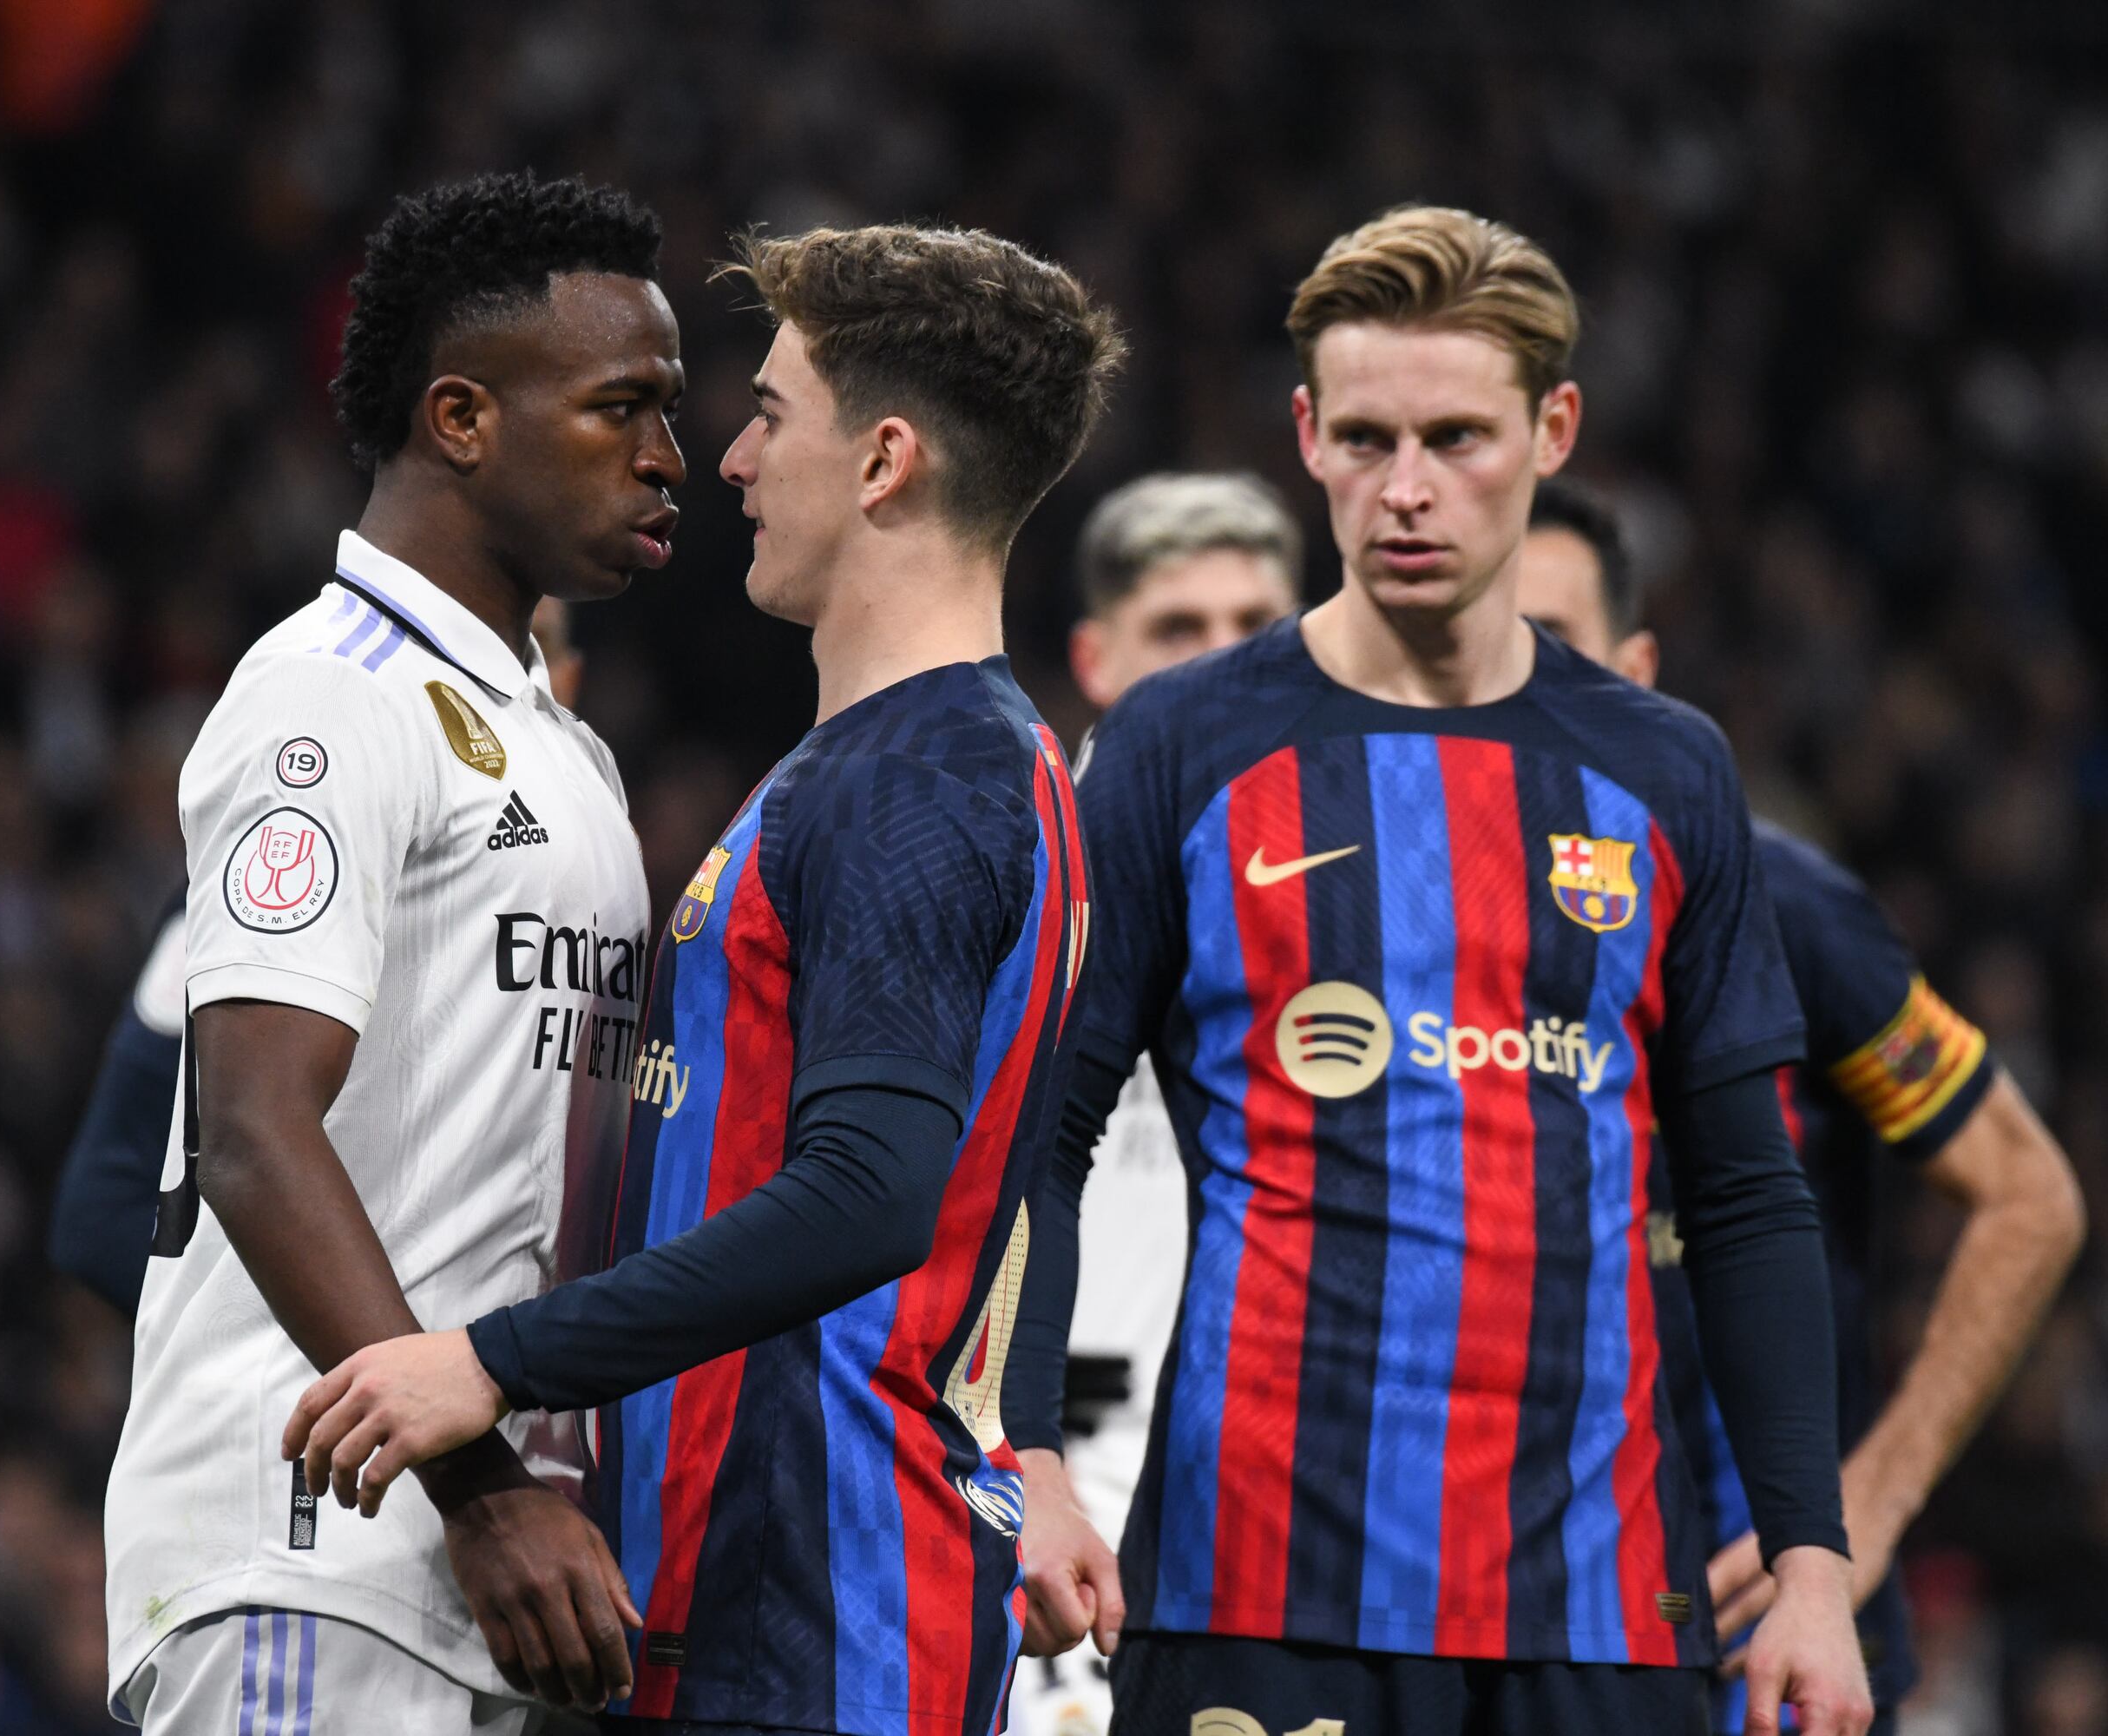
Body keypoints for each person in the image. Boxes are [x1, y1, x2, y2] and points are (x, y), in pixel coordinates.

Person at [1008, 205, 1874, 1736]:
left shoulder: (1667, 770)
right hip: (1252, 1594)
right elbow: (1039, 1134)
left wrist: (1812, 1563)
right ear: (1307, 435)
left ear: (1555, 431)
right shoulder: (1178, 746)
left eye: (1457, 439)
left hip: (1597, 1609)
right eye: (1366, 439)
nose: (1405, 488)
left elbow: (1747, 1193)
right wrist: (1028, 1455)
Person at [279, 222, 1123, 1736]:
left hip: (820, 1614)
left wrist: (489, 1364)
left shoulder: (917, 782)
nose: (728, 462)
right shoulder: (943, 761)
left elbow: (869, 1195)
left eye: (772, 416)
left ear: (884, 463)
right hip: (776, 1598)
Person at [101, 171, 683, 1734]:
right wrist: (478, 1488)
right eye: (622, 406)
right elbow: (251, 1127)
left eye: (672, 410)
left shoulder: (562, 749)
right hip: (319, 1547)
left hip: (485, 1569)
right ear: (462, 418)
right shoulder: (329, 692)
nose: (668, 456)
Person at [1515, 477, 2087, 1736]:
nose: (1522, 687)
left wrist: (1872, 1498)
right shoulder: (1393, 924)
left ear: (1639, 671)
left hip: (1766, 1623)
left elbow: (2029, 1194)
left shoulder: (1785, 908)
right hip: (1504, 1614)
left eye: (1555, 643)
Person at [47, 598, 588, 1318]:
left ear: (568, 683)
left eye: (531, 647)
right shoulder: (258, 887)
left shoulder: (604, 913)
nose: (495, 676)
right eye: (474, 642)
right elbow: (100, 1209)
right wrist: (328, 1344)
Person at [1009, 472, 1305, 1736]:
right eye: (1181, 629)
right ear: (1093, 658)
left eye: (1255, 629)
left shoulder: (1363, 941)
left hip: (1256, 1549)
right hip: (1026, 1534)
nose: (1219, 666)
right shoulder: (1008, 896)